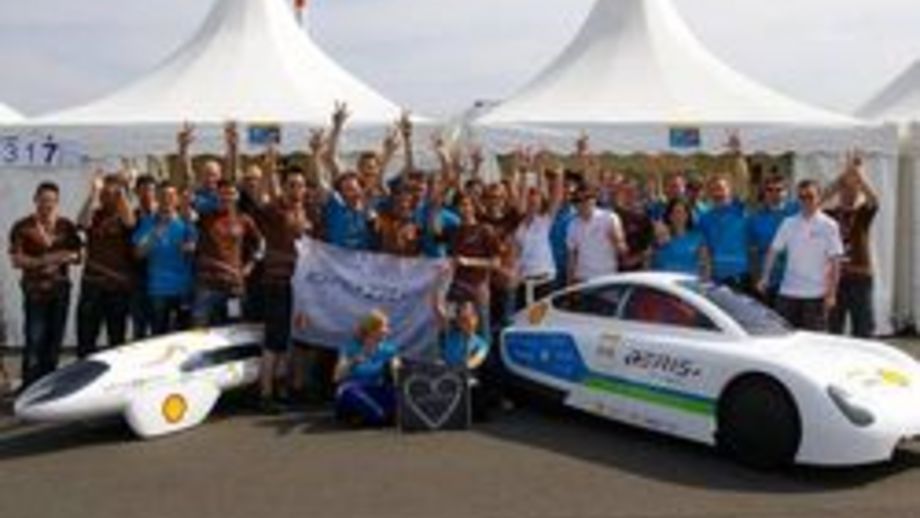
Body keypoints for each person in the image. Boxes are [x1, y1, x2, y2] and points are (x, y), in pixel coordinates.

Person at [8, 182, 82, 389]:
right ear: (35, 200)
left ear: (57, 203)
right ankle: (29, 387)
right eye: (43, 200)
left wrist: (65, 256)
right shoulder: (23, 227)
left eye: (51, 201)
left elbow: (78, 255)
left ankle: (49, 388)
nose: (47, 204)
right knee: (34, 340)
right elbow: (16, 260)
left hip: (60, 292)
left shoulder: (66, 226)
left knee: (54, 341)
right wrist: (45, 260)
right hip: (35, 293)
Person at [253, 166, 313, 410]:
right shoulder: (275, 210)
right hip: (277, 282)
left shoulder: (307, 211)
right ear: (284, 187)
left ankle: (286, 389)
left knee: (295, 337)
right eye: (291, 185)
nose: (297, 189)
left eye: (300, 185)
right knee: (275, 339)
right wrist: (269, 170)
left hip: (300, 284)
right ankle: (265, 394)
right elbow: (260, 199)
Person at [758, 180, 844, 331]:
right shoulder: (788, 223)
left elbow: (835, 261)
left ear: (819, 197)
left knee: (813, 341)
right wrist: (765, 277)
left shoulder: (829, 225)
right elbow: (773, 252)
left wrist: (832, 293)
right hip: (788, 293)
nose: (806, 201)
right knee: (784, 338)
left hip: (816, 295)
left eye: (810, 196)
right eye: (802, 197)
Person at [75, 172, 137, 358]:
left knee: (116, 339)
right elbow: (81, 222)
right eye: (105, 193)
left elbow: (130, 223)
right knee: (86, 338)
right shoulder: (95, 214)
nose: (106, 197)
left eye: (111, 193)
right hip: (92, 284)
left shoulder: (124, 214)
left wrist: (122, 193)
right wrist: (93, 192)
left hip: (117, 287)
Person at [191, 180, 263, 327]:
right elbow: (188, 208)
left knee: (234, 327)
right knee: (199, 328)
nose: (227, 197)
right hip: (207, 285)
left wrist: (250, 265)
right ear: (216, 195)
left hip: (233, 286)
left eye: (231, 193)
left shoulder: (244, 219)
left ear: (237, 196)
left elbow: (261, 244)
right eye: (222, 193)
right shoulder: (204, 217)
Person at [824, 155, 879, 338]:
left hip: (860, 277)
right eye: (845, 189)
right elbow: (818, 201)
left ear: (858, 193)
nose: (849, 193)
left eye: (853, 190)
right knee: (834, 328)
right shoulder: (830, 215)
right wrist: (841, 178)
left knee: (863, 328)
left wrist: (858, 177)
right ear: (839, 192)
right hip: (837, 278)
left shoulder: (862, 213)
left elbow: (873, 200)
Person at [133, 181, 197, 335]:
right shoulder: (148, 221)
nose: (167, 199)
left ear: (177, 199)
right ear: (157, 198)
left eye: (171, 196)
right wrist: (156, 232)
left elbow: (196, 247)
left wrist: (190, 247)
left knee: (184, 337)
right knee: (159, 336)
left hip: (183, 289)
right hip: (158, 290)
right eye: (163, 196)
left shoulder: (186, 221)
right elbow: (138, 253)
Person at [334, 310, 400, 427]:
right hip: (357, 389)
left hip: (377, 389)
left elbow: (398, 377)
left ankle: (373, 417)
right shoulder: (350, 348)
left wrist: (394, 368)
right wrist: (353, 361)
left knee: (395, 392)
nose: (387, 331)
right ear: (372, 330)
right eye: (384, 327)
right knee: (348, 392)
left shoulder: (390, 349)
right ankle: (380, 416)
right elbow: (337, 376)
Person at [747, 175, 798, 306]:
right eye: (769, 190)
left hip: (795, 281)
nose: (774, 193)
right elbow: (752, 251)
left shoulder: (796, 211)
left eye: (779, 190)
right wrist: (756, 278)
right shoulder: (755, 218)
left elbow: (821, 196)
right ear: (764, 192)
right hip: (768, 281)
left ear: (786, 192)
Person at [566, 185, 628, 284]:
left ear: (594, 199)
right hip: (582, 279)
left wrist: (616, 241)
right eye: (578, 200)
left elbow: (623, 250)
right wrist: (569, 282)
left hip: (606, 278)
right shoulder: (573, 225)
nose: (583, 203)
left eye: (587, 198)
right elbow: (572, 256)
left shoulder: (610, 218)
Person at [650, 198, 710, 277]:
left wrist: (703, 281)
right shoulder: (659, 236)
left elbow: (705, 266)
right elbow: (649, 261)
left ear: (688, 215)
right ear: (669, 216)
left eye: (682, 212)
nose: (678, 216)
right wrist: (656, 245)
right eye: (675, 212)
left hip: (686, 283)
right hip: (662, 282)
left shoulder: (698, 237)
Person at [130, 174, 158, 340]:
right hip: (138, 280)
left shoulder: (165, 215)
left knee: (159, 331)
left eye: (151, 190)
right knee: (139, 330)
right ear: (136, 192)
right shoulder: (131, 217)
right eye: (143, 190)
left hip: (162, 282)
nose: (147, 194)